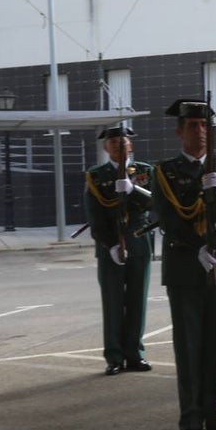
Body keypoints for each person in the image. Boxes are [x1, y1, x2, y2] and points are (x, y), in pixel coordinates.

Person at [153, 99, 216, 430]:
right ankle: (191, 420)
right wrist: (197, 247)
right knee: (189, 347)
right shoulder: (165, 171)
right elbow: (166, 217)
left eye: (206, 125)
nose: (201, 131)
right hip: (184, 266)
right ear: (180, 131)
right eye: (193, 125)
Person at [83, 126, 154, 375]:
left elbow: (155, 202)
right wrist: (110, 244)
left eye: (122, 141)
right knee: (113, 302)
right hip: (109, 244)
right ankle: (114, 357)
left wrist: (133, 190)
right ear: (105, 147)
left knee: (137, 300)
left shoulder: (145, 172)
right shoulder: (96, 175)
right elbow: (95, 216)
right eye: (112, 141)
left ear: (130, 145)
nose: (118, 145)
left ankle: (135, 354)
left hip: (138, 241)